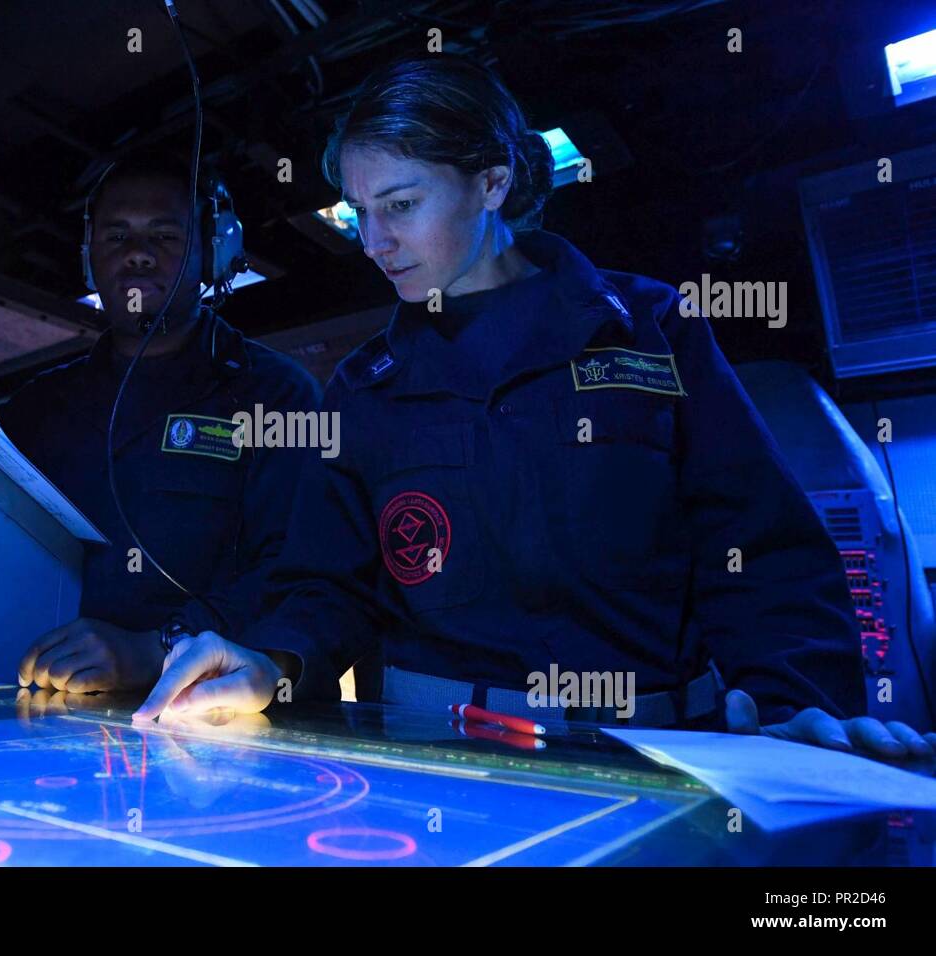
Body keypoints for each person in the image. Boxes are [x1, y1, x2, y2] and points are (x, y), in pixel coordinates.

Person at [134, 56, 936, 759]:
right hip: (437, 762)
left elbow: (761, 550)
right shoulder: (362, 387)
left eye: (401, 205)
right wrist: (274, 660)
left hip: (656, 752)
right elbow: (327, 588)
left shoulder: (651, 331)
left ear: (492, 181)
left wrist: (798, 707)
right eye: (359, 212)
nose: (373, 243)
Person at [1, 151, 320, 694]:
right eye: (117, 237)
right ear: (89, 260)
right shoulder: (32, 410)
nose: (139, 256)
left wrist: (162, 646)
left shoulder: (278, 396)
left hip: (210, 723)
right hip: (48, 711)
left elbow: (301, 571)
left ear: (214, 253)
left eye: (166, 237)